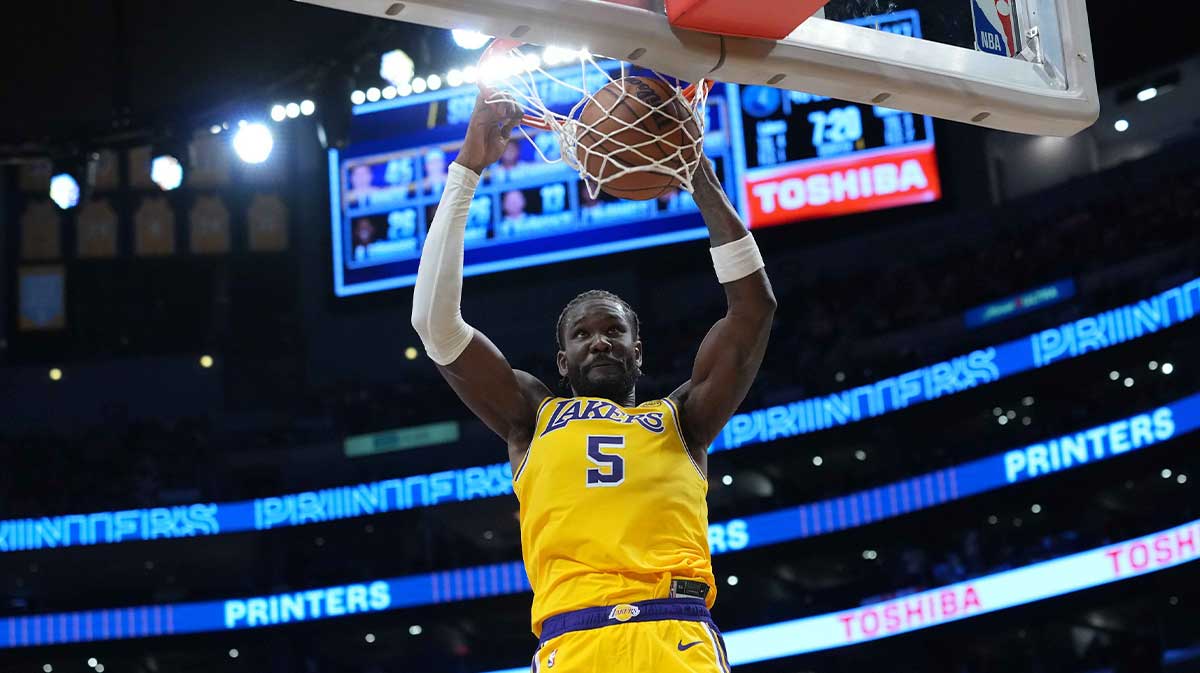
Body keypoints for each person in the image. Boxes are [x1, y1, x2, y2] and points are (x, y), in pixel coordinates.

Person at [411, 91, 776, 672]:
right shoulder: (531, 416)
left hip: (675, 637)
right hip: (574, 643)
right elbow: (435, 327)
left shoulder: (683, 419)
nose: (600, 341)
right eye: (582, 335)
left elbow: (753, 311)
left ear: (639, 351)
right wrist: (466, 171)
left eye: (614, 331)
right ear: (561, 361)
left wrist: (698, 175)